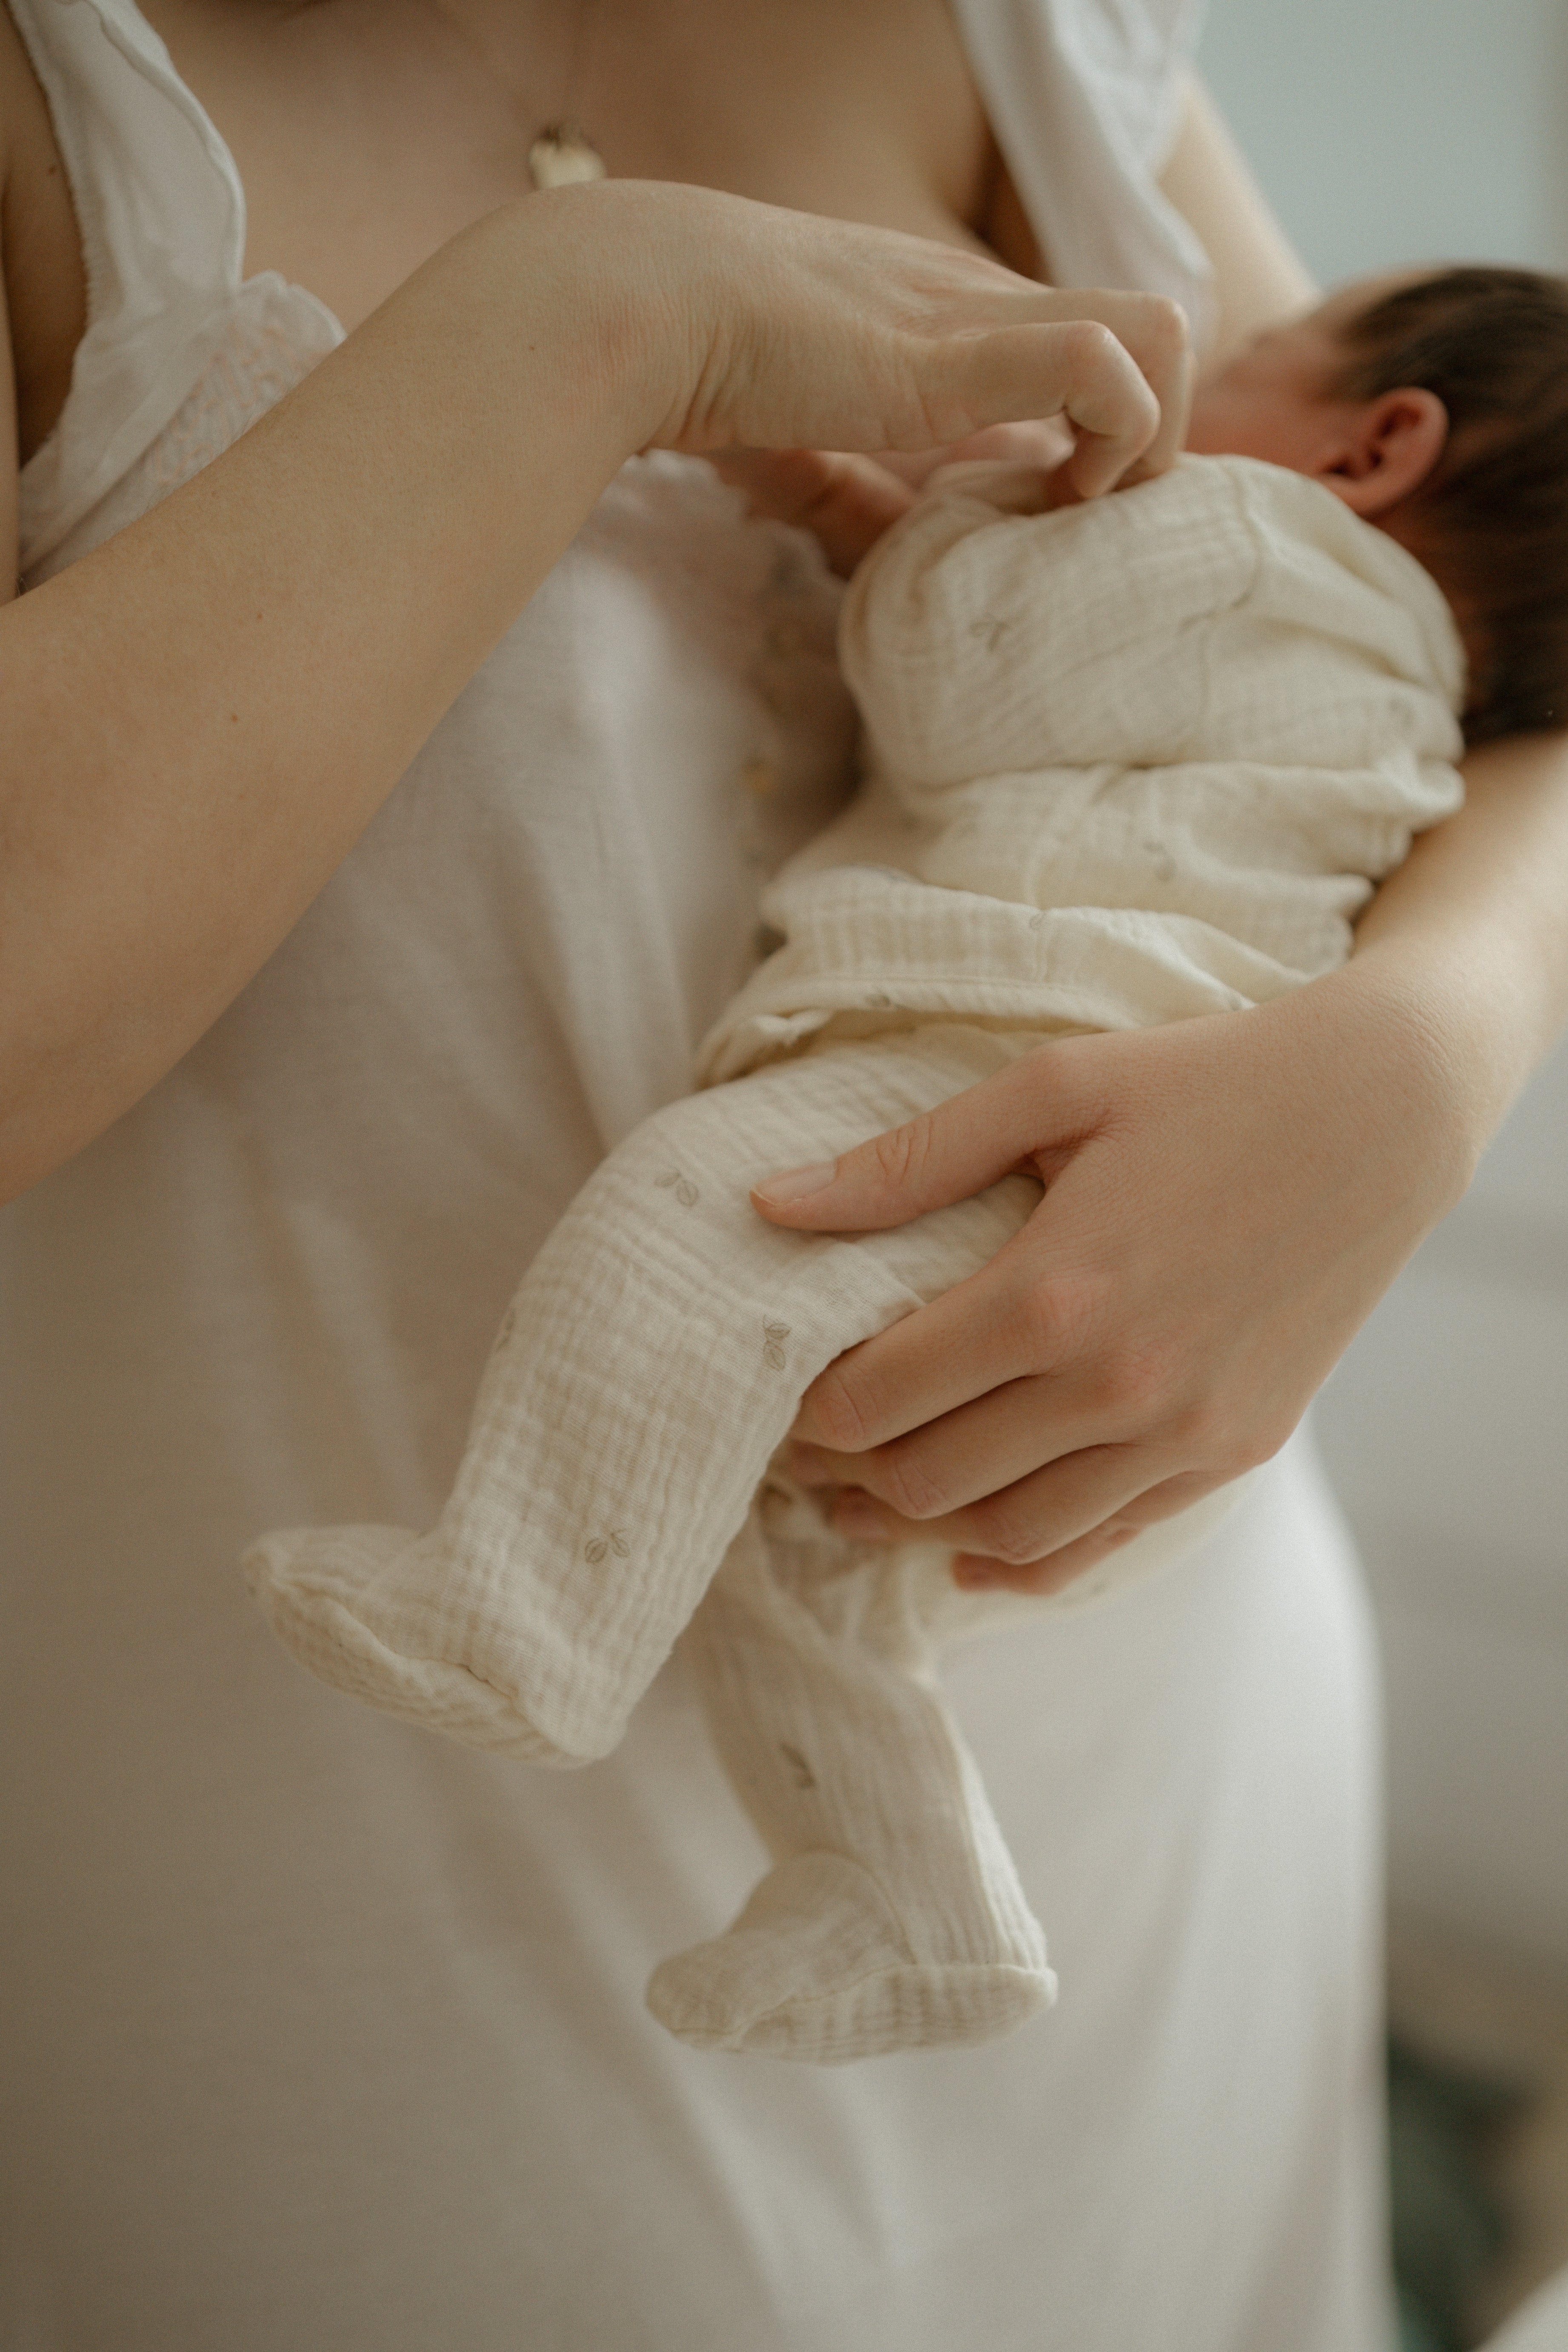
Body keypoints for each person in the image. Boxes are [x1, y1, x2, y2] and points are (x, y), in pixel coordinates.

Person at [3, 0, 1567, 2345]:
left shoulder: (1031, 38)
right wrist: (591, 320)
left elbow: (1513, 662)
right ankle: (725, 1754)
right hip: (382, 1947)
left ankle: (856, 1851)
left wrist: (1425, 1059)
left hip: (1155, 1783)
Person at [242, 263, 1566, 2067]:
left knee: (683, 1227)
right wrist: (880, 524)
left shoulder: (1252, 545)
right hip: (1109, 1189)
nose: (1208, 375)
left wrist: (958, 500)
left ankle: (522, 1618)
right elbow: (1068, 697)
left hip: (992, 1075)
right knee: (809, 1560)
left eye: (1257, 352)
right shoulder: (1398, 701)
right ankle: (915, 1895)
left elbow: (969, 681)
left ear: (1376, 445)